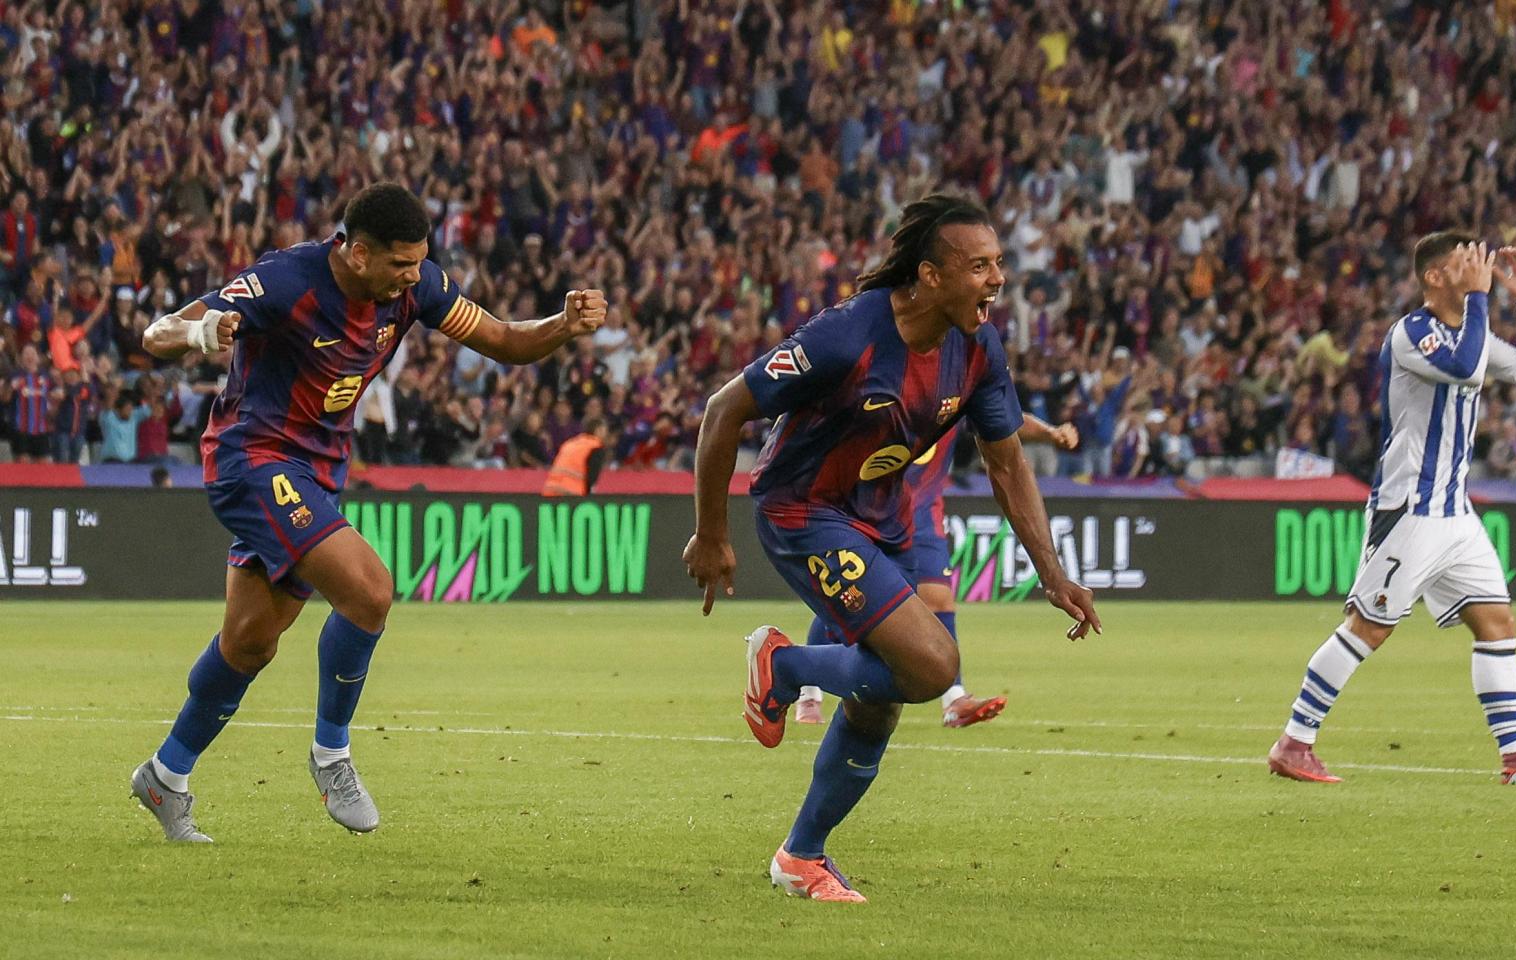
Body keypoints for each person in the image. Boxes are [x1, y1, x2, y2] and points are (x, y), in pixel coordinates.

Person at [130, 182, 608, 842]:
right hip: (254, 458)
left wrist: (562, 325)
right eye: (401, 264)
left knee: (250, 641)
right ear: (355, 252)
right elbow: (158, 334)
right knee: (370, 591)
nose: (414, 276)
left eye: (420, 262)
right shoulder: (284, 280)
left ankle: (165, 774)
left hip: (319, 471)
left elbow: (502, 338)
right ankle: (332, 756)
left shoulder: (417, 287)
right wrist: (201, 330)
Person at [682, 194, 1101, 902]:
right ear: (931, 276)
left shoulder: (978, 348)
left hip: (884, 518)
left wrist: (1052, 572)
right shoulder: (846, 336)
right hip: (804, 511)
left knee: (884, 695)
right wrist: (712, 532)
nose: (996, 280)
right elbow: (725, 410)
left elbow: (1005, 463)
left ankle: (801, 856)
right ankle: (781, 666)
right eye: (979, 267)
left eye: (999, 264)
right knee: (934, 663)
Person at [1266, 236, 1516, 787]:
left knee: (1496, 622)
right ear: (1435, 278)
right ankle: (1294, 742)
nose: (1475, 270)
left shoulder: (1471, 331)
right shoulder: (1412, 334)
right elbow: (1467, 368)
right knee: (1368, 627)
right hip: (1411, 507)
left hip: (1455, 512)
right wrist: (1482, 298)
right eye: (1462, 265)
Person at [794, 414, 1079, 728]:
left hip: (922, 511)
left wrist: (1050, 433)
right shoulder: (894, 381)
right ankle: (808, 692)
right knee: (848, 598)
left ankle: (954, 698)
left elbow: (1003, 415)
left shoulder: (961, 381)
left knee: (939, 598)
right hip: (867, 508)